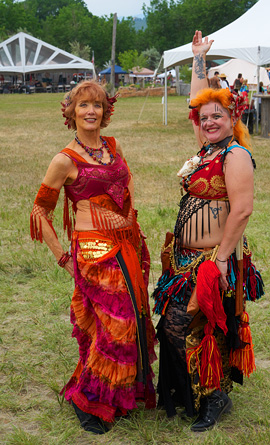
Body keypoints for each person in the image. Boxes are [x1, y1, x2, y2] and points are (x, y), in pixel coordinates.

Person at [30, 79, 157, 434]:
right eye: (83, 105)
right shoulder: (63, 160)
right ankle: (88, 397)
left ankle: (119, 395)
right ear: (70, 111)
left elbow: (127, 188)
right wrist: (63, 257)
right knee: (116, 325)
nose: (90, 111)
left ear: (106, 112)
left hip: (128, 246)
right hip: (94, 251)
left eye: (97, 105)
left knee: (132, 319)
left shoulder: (113, 148)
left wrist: (134, 231)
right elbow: (40, 212)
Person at [152, 30, 264, 432]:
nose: (210, 121)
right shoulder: (205, 148)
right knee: (172, 325)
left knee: (197, 327)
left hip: (212, 259)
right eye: (205, 118)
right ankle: (186, 393)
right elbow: (196, 101)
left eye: (219, 115)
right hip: (181, 259)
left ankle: (214, 398)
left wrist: (218, 262)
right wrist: (198, 59)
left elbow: (243, 210)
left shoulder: (235, 155)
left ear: (234, 118)